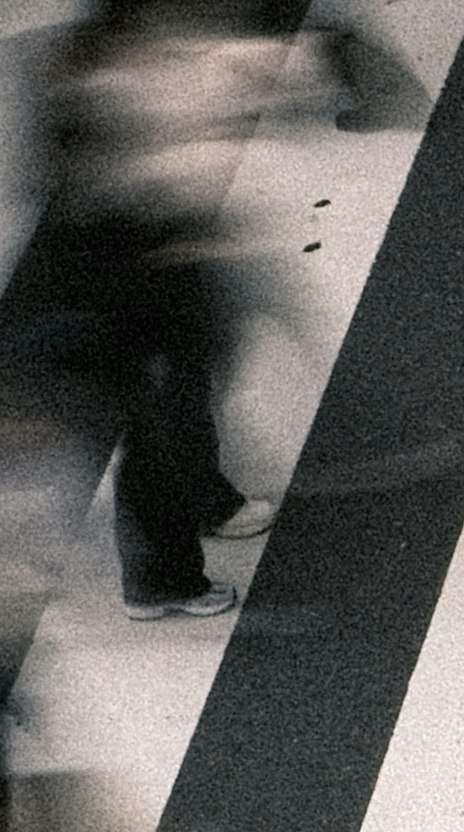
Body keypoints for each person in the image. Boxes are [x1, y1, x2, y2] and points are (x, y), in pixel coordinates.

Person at [4, 0, 295, 618]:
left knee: (168, 407)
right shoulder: (114, 88)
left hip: (130, 280)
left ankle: (199, 510)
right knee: (159, 421)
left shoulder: (90, 71)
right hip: (129, 288)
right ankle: (163, 577)